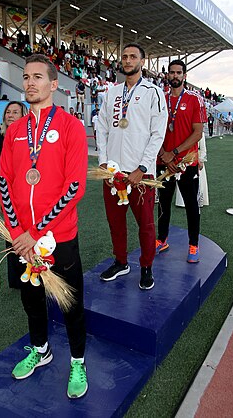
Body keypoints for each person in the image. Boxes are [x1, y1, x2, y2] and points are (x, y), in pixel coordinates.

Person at [0, 54, 88, 398]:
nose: (30, 83)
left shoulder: (70, 127)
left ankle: (78, 361)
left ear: (54, 84)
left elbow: (74, 187)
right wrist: (17, 231)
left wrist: (35, 233)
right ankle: (41, 350)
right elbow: (5, 180)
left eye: (38, 77)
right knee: (31, 299)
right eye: (26, 77)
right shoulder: (15, 131)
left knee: (70, 303)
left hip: (57, 237)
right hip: (19, 238)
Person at [97, 43, 168, 289]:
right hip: (113, 173)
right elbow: (102, 127)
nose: (127, 61)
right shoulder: (111, 92)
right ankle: (121, 261)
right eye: (124, 57)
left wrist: (142, 167)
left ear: (142, 61)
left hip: (140, 175)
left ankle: (146, 266)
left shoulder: (153, 92)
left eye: (132, 57)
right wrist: (104, 162)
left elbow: (157, 135)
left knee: (146, 224)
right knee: (115, 223)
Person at [156, 59, 207, 263]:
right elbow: (155, 131)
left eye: (178, 72)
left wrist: (174, 152)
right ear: (167, 75)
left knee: (191, 206)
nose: (175, 76)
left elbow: (198, 133)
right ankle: (162, 239)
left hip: (186, 162)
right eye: (172, 72)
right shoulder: (161, 99)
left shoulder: (195, 99)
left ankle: (193, 245)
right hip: (164, 161)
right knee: (163, 205)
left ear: (184, 76)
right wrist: (163, 154)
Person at [0, 101, 28, 288]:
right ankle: (16, 278)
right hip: (8, 192)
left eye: (15, 112)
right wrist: (2, 196)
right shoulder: (0, 139)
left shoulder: (30, 140)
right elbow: (2, 172)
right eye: (8, 112)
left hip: (27, 194)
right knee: (11, 235)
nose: (10, 115)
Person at [176, 133, 209, 207]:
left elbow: (203, 149)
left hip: (195, 160)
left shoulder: (200, 133)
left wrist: (200, 160)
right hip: (183, 160)